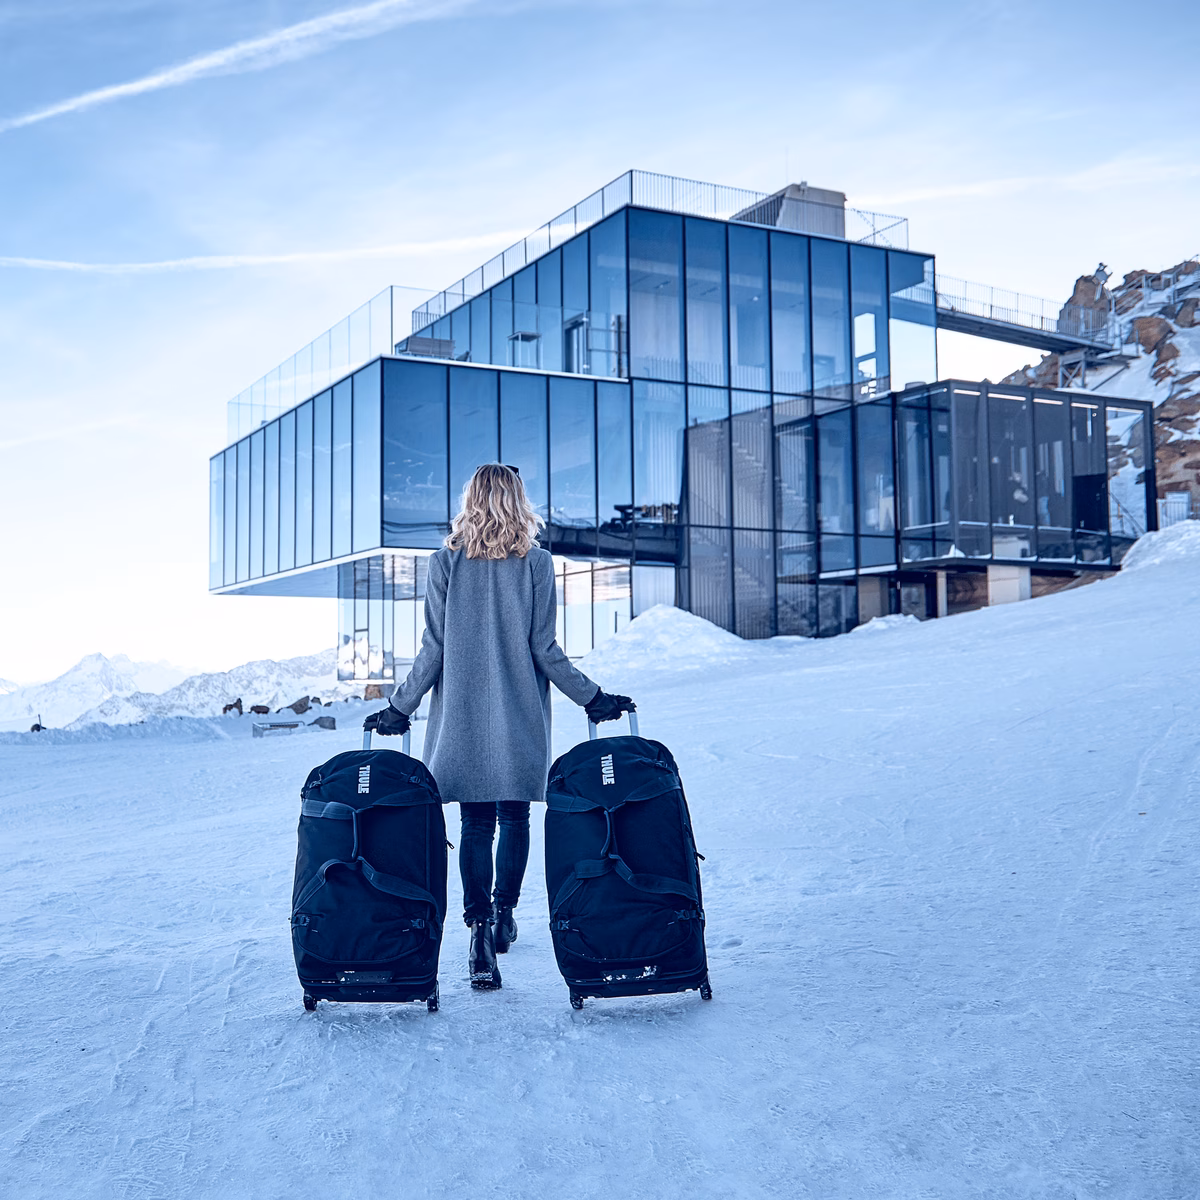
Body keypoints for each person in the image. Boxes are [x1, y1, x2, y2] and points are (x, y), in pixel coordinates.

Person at [364, 463, 633, 990]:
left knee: (474, 826)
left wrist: (400, 706)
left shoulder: (446, 563)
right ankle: (504, 914)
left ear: (471, 500)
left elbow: (433, 648)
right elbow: (544, 649)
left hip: (462, 719)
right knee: (514, 819)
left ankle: (478, 930)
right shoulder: (536, 563)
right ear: (518, 501)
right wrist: (593, 698)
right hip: (519, 716)